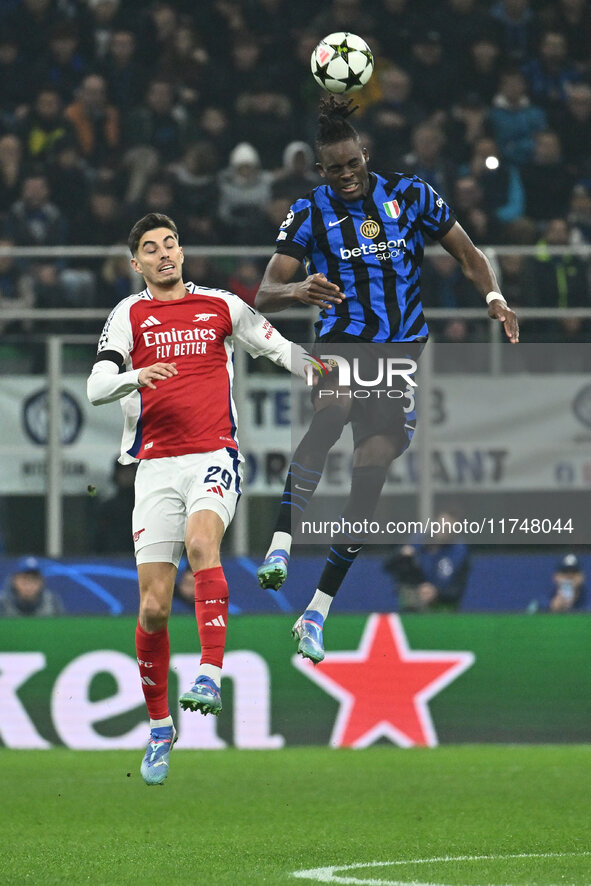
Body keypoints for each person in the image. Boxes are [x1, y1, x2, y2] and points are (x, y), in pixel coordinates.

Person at [254, 96, 519, 665]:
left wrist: (493, 296)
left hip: (400, 355)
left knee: (370, 469)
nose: (346, 175)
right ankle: (280, 544)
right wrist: (297, 290)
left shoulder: (411, 194)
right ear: (320, 171)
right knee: (333, 409)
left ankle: (317, 610)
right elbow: (264, 291)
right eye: (334, 168)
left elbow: (467, 252)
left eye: (352, 163)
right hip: (342, 340)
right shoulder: (308, 211)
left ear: (364, 154)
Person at [86, 212, 312, 785]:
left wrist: (318, 371)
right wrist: (132, 379)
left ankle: (210, 671)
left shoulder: (221, 306)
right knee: (154, 608)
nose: (163, 254)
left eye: (170, 244)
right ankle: (160, 727)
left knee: (202, 542)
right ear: (135, 264)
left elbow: (279, 348)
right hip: (154, 467)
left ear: (181, 253)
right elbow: (94, 388)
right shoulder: (128, 315)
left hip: (213, 454)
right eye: (150, 248)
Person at [384, 514, 470, 612]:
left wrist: (437, 593)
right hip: (413, 607)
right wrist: (400, 554)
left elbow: (457, 590)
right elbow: (388, 565)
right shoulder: (417, 542)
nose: (443, 532)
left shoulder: (459, 553)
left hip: (444, 611)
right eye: (440, 527)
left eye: (448, 529)